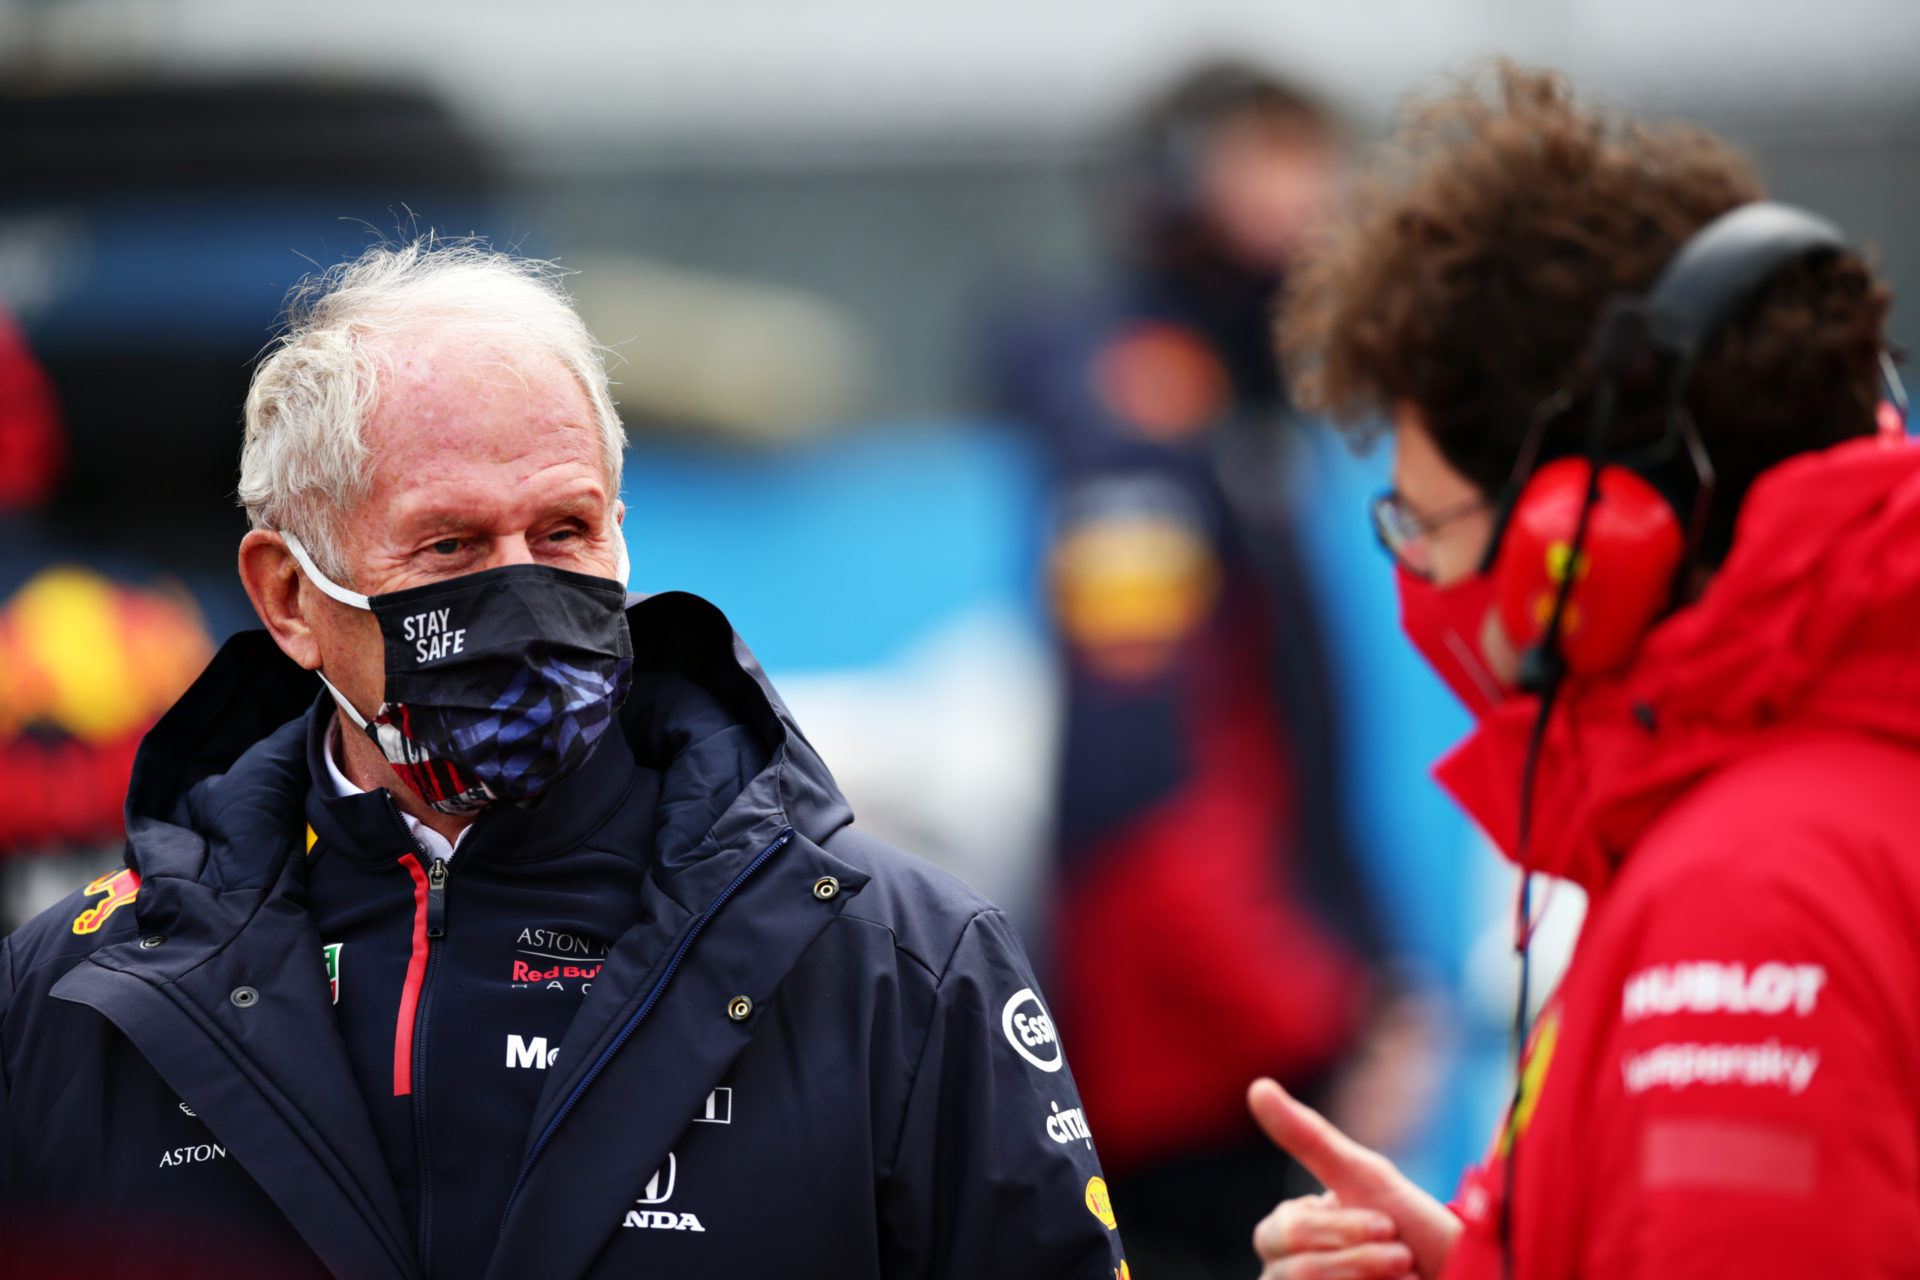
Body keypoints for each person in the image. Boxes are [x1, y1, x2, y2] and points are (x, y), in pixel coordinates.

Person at [0, 240, 1132, 1280]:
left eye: (563, 532)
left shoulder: (898, 965)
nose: (526, 593)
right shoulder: (75, 1000)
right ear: (290, 596)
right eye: (451, 545)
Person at [1246, 63, 1920, 1279]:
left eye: (1427, 524)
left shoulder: (1752, 891)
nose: (1422, 578)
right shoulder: (1804, 789)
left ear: (1585, 537)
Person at [987, 61, 1426, 1280]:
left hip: (1244, 1058)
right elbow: (1136, 786)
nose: (1318, 203)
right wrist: (1325, 1012)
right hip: (1192, 1085)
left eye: (1321, 162)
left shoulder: (1232, 411)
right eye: (1272, 162)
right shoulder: (1143, 422)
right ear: (1176, 184)